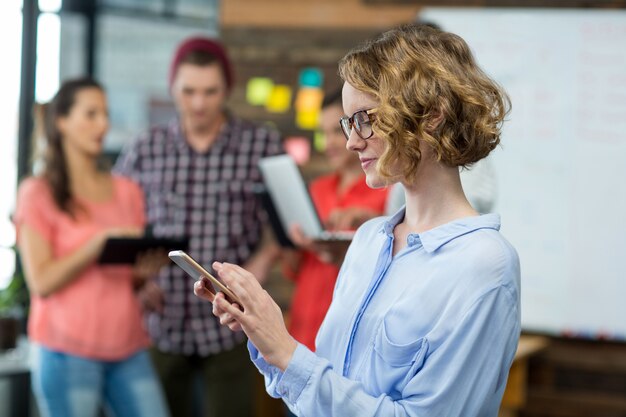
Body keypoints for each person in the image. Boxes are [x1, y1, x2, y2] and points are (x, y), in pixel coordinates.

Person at [195, 23, 521, 417]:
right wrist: (267, 337)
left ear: (432, 117)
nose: (351, 141)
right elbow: (327, 393)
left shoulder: (484, 265)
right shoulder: (369, 240)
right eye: (348, 123)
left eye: (365, 119)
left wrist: (285, 350)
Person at [114, 37, 283, 417]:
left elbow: (284, 224)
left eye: (211, 91)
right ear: (173, 87)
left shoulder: (262, 145)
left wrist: (262, 261)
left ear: (227, 89)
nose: (199, 103)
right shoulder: (145, 148)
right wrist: (135, 279)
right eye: (189, 91)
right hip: (162, 320)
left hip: (233, 322)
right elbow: (118, 222)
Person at [14, 78, 169, 417]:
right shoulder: (37, 193)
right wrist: (99, 242)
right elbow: (41, 282)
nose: (103, 124)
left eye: (105, 114)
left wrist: (142, 277)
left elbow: (123, 279)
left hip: (128, 345)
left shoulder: (127, 190)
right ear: (61, 121)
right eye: (91, 114)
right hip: (66, 351)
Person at [283, 89, 389, 351]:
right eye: (323, 133)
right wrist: (294, 242)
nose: (328, 142)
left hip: (352, 335)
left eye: (336, 130)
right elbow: (294, 268)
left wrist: (371, 224)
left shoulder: (389, 191)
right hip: (304, 327)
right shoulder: (316, 190)